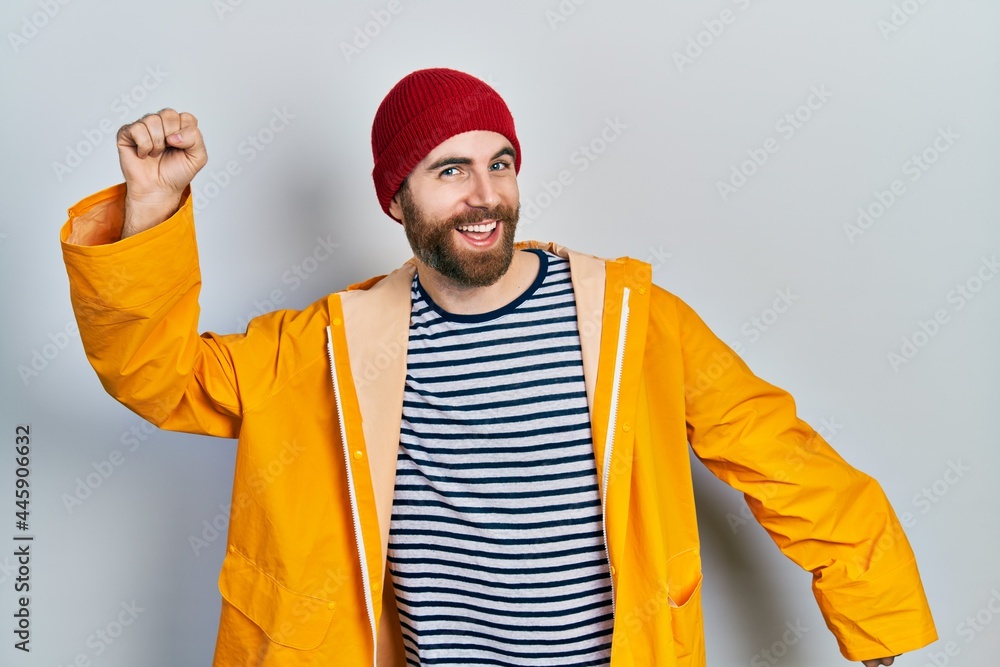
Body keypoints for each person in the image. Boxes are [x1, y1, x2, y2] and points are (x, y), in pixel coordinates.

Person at [60, 68, 936, 667]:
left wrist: (882, 628)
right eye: (450, 170)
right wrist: (152, 205)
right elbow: (158, 375)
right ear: (397, 197)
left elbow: (789, 462)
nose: (484, 194)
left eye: (499, 164)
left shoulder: (633, 322)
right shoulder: (324, 347)